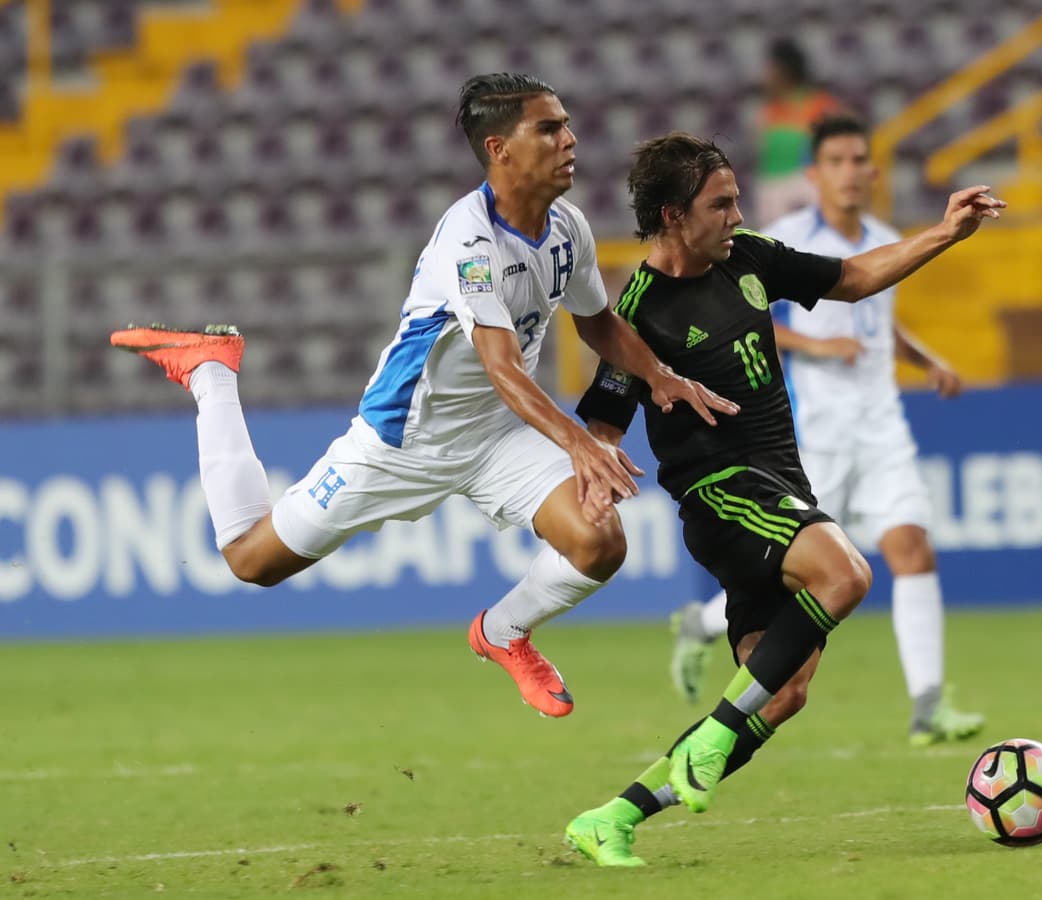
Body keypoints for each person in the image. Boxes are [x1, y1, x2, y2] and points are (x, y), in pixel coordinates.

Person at [109, 73, 736, 720]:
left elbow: (597, 321)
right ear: (499, 148)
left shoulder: (567, 228)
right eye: (548, 128)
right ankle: (213, 372)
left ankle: (503, 632)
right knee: (251, 560)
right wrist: (581, 443)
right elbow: (501, 365)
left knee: (601, 542)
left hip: (497, 436)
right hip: (401, 439)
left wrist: (660, 375)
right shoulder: (469, 241)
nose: (569, 139)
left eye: (566, 124)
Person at [563, 132, 1004, 866]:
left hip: (779, 484)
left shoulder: (751, 259)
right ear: (673, 216)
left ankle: (613, 818)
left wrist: (945, 233)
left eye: (737, 199)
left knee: (783, 691)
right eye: (721, 204)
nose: (738, 214)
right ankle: (711, 734)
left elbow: (856, 278)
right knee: (849, 574)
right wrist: (598, 478)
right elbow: (603, 422)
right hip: (721, 495)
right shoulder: (638, 313)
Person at [669, 114, 985, 747]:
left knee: (911, 549)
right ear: (814, 175)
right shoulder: (772, 239)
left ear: (872, 170)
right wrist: (814, 344)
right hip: (811, 440)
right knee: (798, 578)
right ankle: (703, 626)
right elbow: (745, 319)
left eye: (859, 159)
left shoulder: (887, 238)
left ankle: (927, 704)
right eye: (836, 161)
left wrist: (927, 362)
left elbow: (877, 318)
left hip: (882, 427)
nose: (850, 172)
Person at [753, 37, 843, 225]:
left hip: (808, 184)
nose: (765, 75)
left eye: (770, 69)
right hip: (772, 186)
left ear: (784, 71)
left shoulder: (820, 105)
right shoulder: (768, 112)